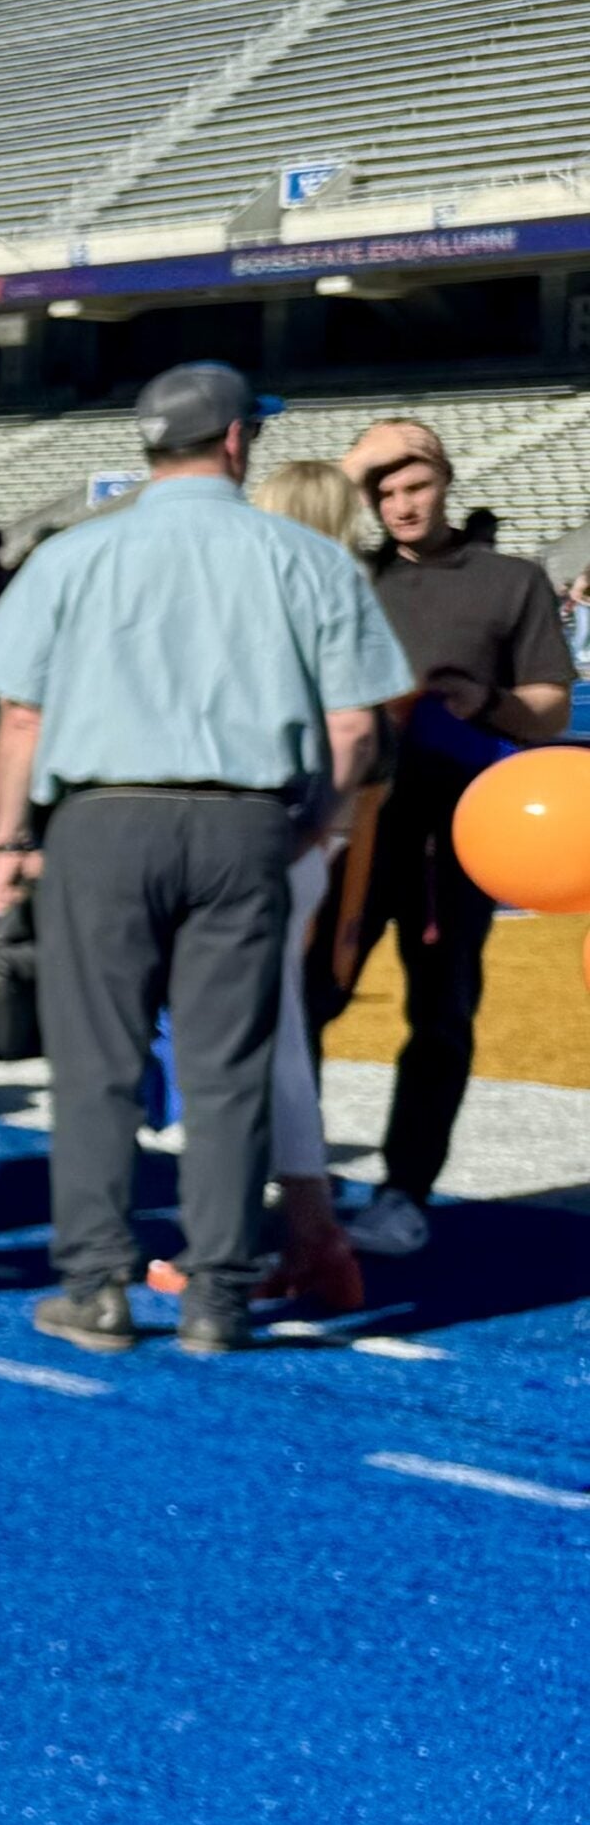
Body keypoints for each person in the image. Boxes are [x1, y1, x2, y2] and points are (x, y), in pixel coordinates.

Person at [0, 362, 406, 1355]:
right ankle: (217, 1294)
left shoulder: (73, 555)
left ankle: (95, 1286)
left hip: (99, 819)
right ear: (236, 440)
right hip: (241, 818)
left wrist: (6, 839)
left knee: (93, 1065)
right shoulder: (303, 558)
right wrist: (307, 824)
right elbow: (350, 726)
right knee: (226, 1065)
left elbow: (19, 715)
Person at [133, 461, 382, 1321]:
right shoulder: (346, 600)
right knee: (271, 1048)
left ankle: (233, 1242)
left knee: (234, 1051)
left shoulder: (283, 606)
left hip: (259, 836)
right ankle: (308, 1240)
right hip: (303, 838)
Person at [323, 414, 574, 1258]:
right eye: (382, 490)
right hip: (345, 832)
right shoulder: (346, 571)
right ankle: (296, 1171)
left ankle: (404, 1188)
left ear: (446, 480)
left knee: (440, 1013)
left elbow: (548, 711)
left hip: (456, 837)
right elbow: (292, 515)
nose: (399, 504)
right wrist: (357, 462)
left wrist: (483, 702)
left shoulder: (511, 579)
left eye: (415, 484)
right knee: (306, 1002)